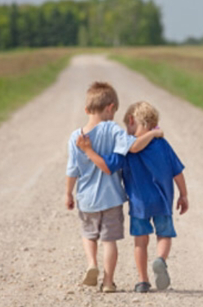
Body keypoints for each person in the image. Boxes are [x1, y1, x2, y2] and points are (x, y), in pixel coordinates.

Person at [76, 101, 188, 293]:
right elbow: (177, 172)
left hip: (139, 204)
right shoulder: (162, 144)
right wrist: (183, 195)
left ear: (131, 120)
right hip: (163, 200)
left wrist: (89, 151)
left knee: (140, 242)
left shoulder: (126, 148)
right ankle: (160, 259)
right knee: (164, 235)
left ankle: (142, 281)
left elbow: (107, 166)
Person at [65, 83, 163, 293]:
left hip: (87, 198)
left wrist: (68, 194)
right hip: (111, 198)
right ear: (110, 108)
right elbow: (134, 146)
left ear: (86, 110)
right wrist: (154, 134)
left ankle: (92, 263)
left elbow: (72, 170)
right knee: (109, 241)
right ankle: (108, 282)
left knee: (88, 234)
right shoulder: (113, 130)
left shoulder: (76, 137)